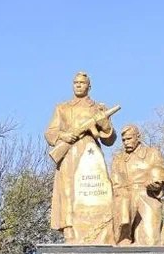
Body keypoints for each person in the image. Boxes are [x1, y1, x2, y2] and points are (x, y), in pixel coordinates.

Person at [45, 71, 119, 244]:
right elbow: (50, 133)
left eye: (82, 83)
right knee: (68, 192)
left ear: (89, 86)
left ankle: (99, 230)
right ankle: (70, 231)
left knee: (96, 193)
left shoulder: (98, 108)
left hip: (90, 153)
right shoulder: (62, 107)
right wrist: (63, 136)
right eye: (75, 82)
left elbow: (110, 139)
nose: (78, 85)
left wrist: (104, 124)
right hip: (69, 153)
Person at [110, 124, 164, 246]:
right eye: (123, 140)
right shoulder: (118, 159)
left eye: (129, 139)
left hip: (147, 197)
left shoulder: (152, 153)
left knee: (150, 241)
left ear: (138, 137)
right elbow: (114, 183)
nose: (126, 142)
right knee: (121, 242)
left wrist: (157, 185)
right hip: (125, 199)